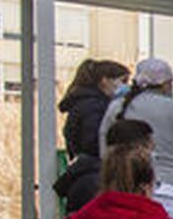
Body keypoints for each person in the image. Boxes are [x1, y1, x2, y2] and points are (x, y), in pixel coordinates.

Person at [100, 57, 173, 219]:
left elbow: (105, 149)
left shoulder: (117, 107)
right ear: (166, 84)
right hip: (170, 187)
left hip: (128, 185)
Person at [56, 59, 130, 210]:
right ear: (104, 80)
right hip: (94, 175)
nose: (126, 86)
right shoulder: (98, 107)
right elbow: (94, 142)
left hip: (82, 175)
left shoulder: (82, 105)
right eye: (123, 81)